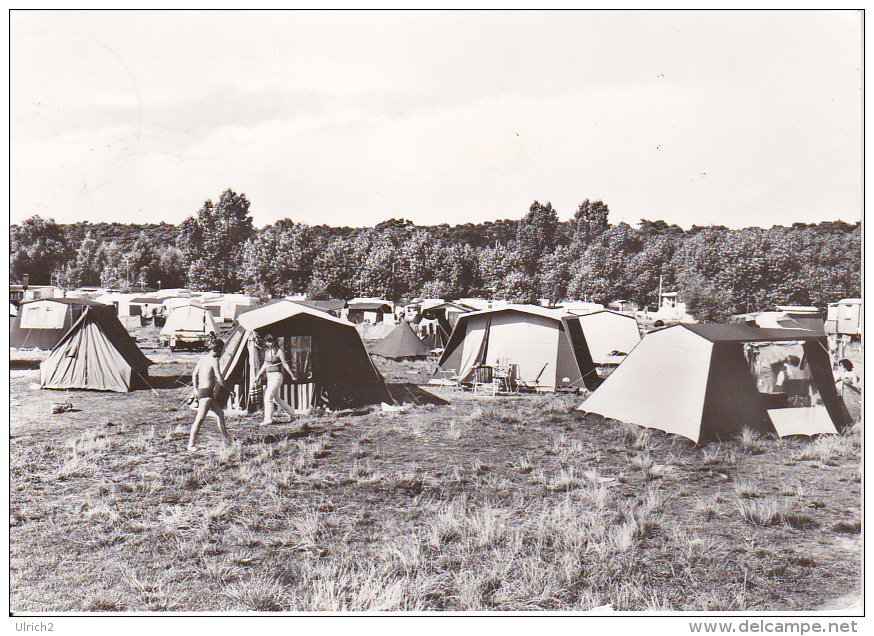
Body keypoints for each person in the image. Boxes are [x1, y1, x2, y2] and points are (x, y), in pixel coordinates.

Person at [188, 339, 233, 452]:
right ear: (217, 349)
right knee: (199, 419)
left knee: (220, 414)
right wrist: (230, 389)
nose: (221, 352)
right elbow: (219, 378)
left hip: (203, 392)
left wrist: (195, 389)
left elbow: (194, 373)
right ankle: (191, 444)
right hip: (206, 394)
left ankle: (227, 439)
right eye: (221, 350)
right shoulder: (214, 360)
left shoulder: (203, 358)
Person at [255, 334, 297, 425]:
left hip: (276, 376)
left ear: (274, 341)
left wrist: (292, 375)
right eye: (267, 341)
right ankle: (292, 414)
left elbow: (285, 364)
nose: (269, 344)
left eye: (271, 341)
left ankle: (268, 420)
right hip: (269, 376)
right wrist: (258, 375)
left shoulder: (279, 351)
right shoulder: (267, 351)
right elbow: (265, 365)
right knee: (276, 398)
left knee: (268, 397)